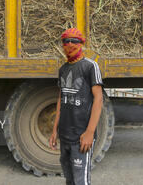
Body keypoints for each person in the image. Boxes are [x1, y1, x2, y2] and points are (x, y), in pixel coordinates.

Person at [49, 28, 103, 185]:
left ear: (81, 44)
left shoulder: (90, 66)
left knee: (81, 181)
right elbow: (61, 98)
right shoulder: (63, 70)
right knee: (69, 179)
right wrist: (54, 130)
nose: (70, 44)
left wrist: (90, 132)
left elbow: (98, 99)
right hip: (65, 135)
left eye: (74, 41)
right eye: (66, 41)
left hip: (81, 136)